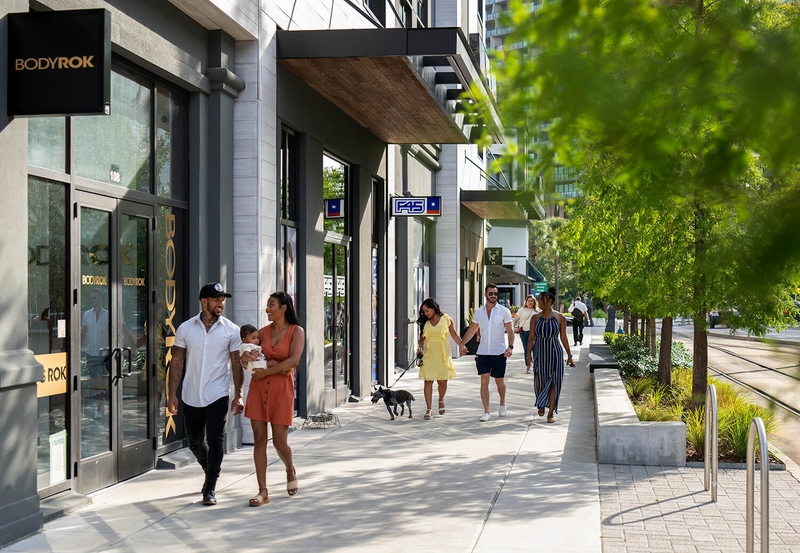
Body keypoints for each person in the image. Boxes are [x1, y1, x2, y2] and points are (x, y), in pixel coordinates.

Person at [167, 282, 243, 506]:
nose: (221, 303)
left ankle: (210, 486)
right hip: (191, 394)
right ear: (204, 301)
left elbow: (237, 365)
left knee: (216, 439)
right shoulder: (186, 328)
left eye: (222, 300)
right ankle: (210, 469)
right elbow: (177, 362)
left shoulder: (232, 330)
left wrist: (238, 394)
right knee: (195, 442)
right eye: (216, 299)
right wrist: (172, 393)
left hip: (218, 393)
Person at [240, 291, 305, 507]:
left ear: (284, 308)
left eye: (271, 305)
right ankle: (263, 491)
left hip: (281, 392)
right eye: (267, 305)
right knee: (259, 440)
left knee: (279, 442)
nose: (267, 309)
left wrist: (268, 370)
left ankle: (289, 468)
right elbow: (246, 353)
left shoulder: (297, 332)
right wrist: (245, 358)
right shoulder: (261, 332)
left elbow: (293, 360)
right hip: (258, 391)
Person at [459, 284, 515, 422]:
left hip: (499, 352)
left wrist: (511, 347)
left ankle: (502, 403)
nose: (493, 296)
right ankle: (487, 411)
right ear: (485, 295)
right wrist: (462, 344)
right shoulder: (479, 312)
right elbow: (472, 330)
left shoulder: (504, 311)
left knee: (499, 381)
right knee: (484, 380)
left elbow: (510, 330)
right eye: (490, 293)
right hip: (483, 352)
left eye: (495, 294)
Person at [526, 288, 575, 423]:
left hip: (555, 351)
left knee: (554, 382)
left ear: (550, 301)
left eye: (542, 300)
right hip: (540, 351)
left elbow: (564, 337)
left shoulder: (560, 318)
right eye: (539, 299)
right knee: (539, 380)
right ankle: (541, 402)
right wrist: (528, 354)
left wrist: (569, 356)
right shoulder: (535, 318)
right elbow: (531, 337)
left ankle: (550, 413)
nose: (539, 302)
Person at [415, 298, 463, 421]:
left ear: (434, 308)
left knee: (442, 381)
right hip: (429, 354)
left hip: (443, 353)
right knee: (428, 381)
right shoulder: (425, 322)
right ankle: (429, 409)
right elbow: (422, 339)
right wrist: (419, 348)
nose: (425, 313)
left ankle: (441, 399)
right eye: (424, 311)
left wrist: (462, 346)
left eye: (427, 310)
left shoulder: (446, 319)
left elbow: (454, 335)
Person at [81, 289, 110, 418]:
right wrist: (78, 347)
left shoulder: (108, 315)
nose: (93, 300)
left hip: (104, 352)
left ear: (100, 299)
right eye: (91, 298)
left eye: (95, 298)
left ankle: (99, 406)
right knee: (95, 380)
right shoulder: (87, 315)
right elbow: (83, 332)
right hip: (91, 352)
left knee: (100, 378)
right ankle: (101, 402)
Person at [513, 295, 538, 374]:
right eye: (529, 301)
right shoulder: (522, 310)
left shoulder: (537, 311)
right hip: (524, 332)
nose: (530, 302)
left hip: (534, 333)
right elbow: (515, 319)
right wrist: (513, 329)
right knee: (527, 349)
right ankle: (528, 366)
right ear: (526, 302)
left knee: (535, 349)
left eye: (532, 301)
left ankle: (536, 366)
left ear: (534, 302)